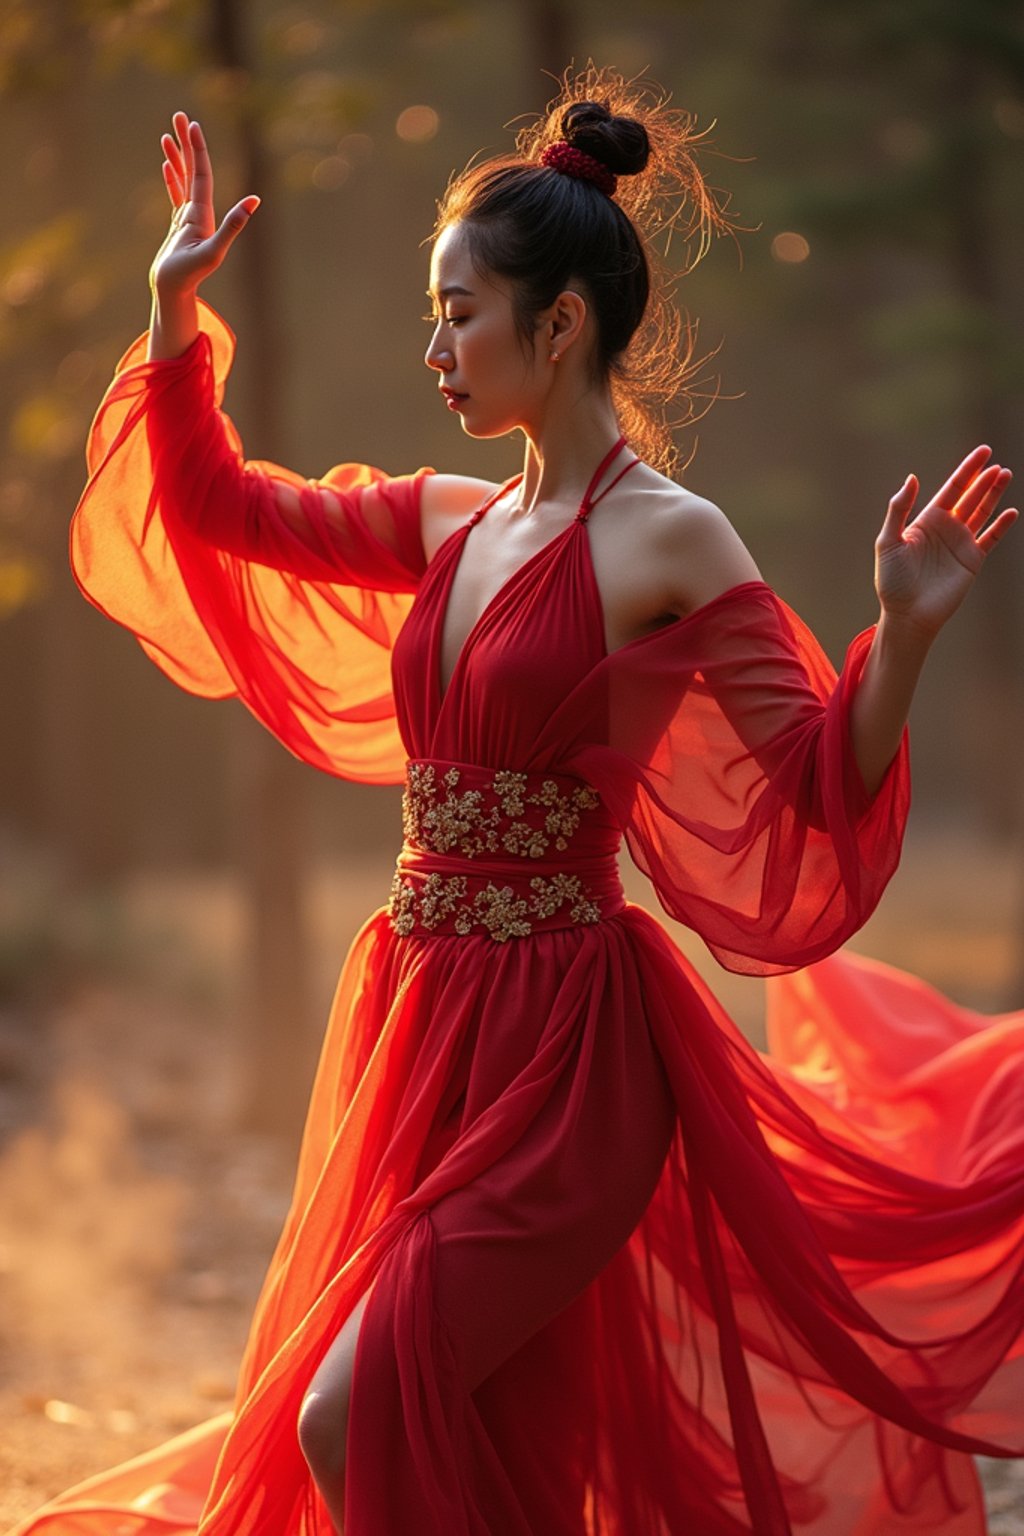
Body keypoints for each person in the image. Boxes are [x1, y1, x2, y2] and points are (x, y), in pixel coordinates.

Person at [11, 63, 1023, 1536]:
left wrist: (909, 633)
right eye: (432, 310)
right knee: (492, 1435)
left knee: (348, 1408)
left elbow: (816, 785)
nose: (435, 346)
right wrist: (173, 312)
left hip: (571, 1056)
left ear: (561, 327)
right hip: (424, 1026)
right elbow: (224, 508)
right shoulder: (449, 521)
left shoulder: (673, 542)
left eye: (460, 313)